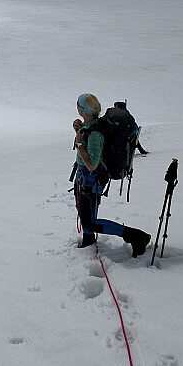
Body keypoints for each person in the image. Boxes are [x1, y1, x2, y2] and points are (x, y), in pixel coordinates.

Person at [72, 93, 152, 256]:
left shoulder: (95, 133)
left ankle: (135, 236)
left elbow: (92, 164)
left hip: (91, 180)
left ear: (82, 110)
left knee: (90, 221)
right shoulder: (90, 126)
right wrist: (79, 131)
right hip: (85, 179)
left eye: (78, 105)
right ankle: (88, 239)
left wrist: (79, 143)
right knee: (86, 214)